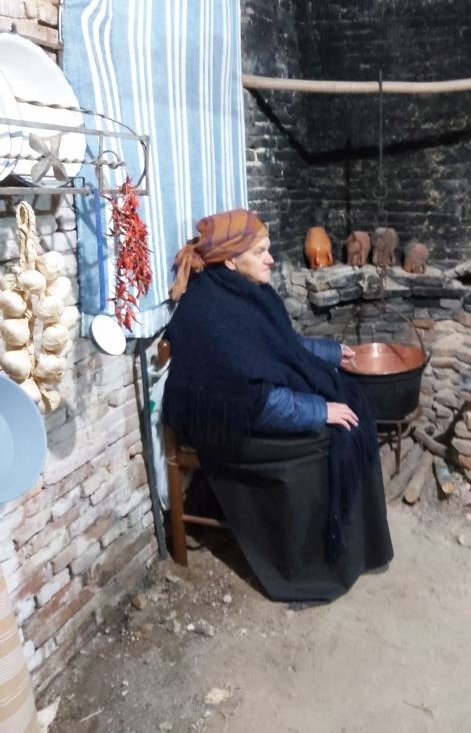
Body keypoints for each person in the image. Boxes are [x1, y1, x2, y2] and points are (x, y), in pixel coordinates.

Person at [163, 208, 393, 602]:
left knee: (348, 397)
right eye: (262, 251)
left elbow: (279, 346)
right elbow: (253, 399)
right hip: (234, 424)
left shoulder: (245, 293)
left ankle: (358, 545)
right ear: (233, 259)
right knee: (326, 436)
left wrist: (329, 353)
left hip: (253, 406)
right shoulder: (212, 315)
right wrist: (319, 411)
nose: (271, 259)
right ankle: (307, 566)